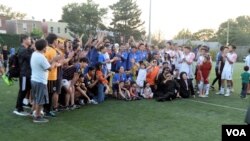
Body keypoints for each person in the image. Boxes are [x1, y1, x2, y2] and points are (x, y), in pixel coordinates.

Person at [30, 39, 58, 123]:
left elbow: (45, 63)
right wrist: (55, 61)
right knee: (40, 100)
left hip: (34, 79)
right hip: (40, 81)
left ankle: (33, 112)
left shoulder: (35, 54)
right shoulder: (41, 57)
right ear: (43, 48)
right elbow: (49, 68)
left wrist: (52, 60)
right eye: (46, 47)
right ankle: (37, 117)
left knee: (36, 98)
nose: (47, 48)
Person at [13, 34, 32, 116]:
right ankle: (18, 108)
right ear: (24, 40)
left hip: (27, 74)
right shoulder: (22, 50)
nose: (30, 40)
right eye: (29, 39)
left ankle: (22, 105)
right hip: (24, 74)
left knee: (25, 90)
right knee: (22, 90)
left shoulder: (25, 49)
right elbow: (30, 59)